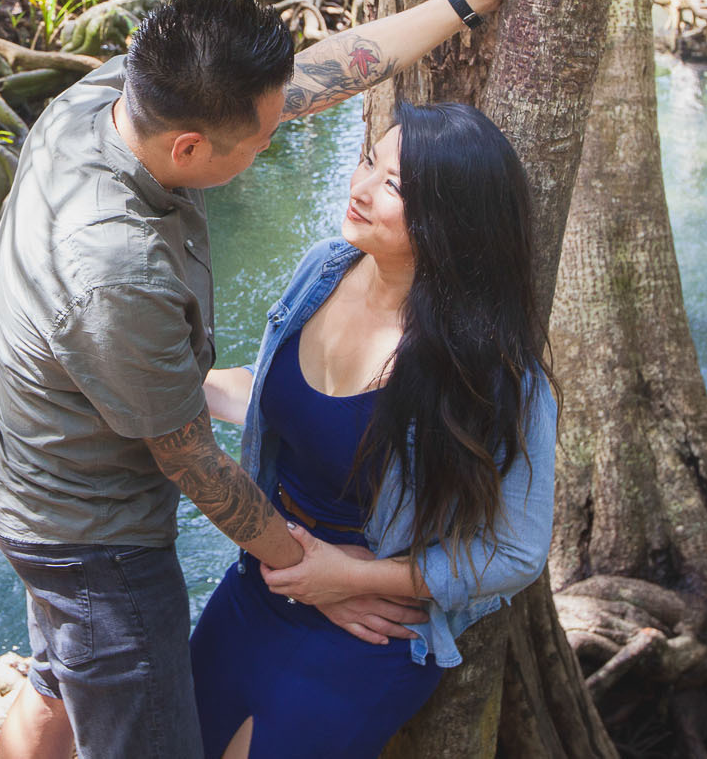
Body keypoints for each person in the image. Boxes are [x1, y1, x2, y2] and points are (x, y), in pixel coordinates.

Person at [0, 0, 538, 759]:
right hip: (96, 536)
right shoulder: (119, 268)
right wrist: (320, 577)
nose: (282, 138)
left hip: (27, 477)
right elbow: (191, 458)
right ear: (192, 149)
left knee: (57, 680)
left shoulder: (109, 97)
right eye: (262, 140)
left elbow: (322, 71)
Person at [190, 102, 557, 759]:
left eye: (392, 185)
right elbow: (289, 403)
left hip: (369, 626)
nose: (358, 187)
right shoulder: (325, 270)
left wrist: (358, 577)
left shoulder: (490, 370)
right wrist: (177, 387)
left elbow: (517, 550)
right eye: (368, 161)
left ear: (451, 222)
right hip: (264, 574)